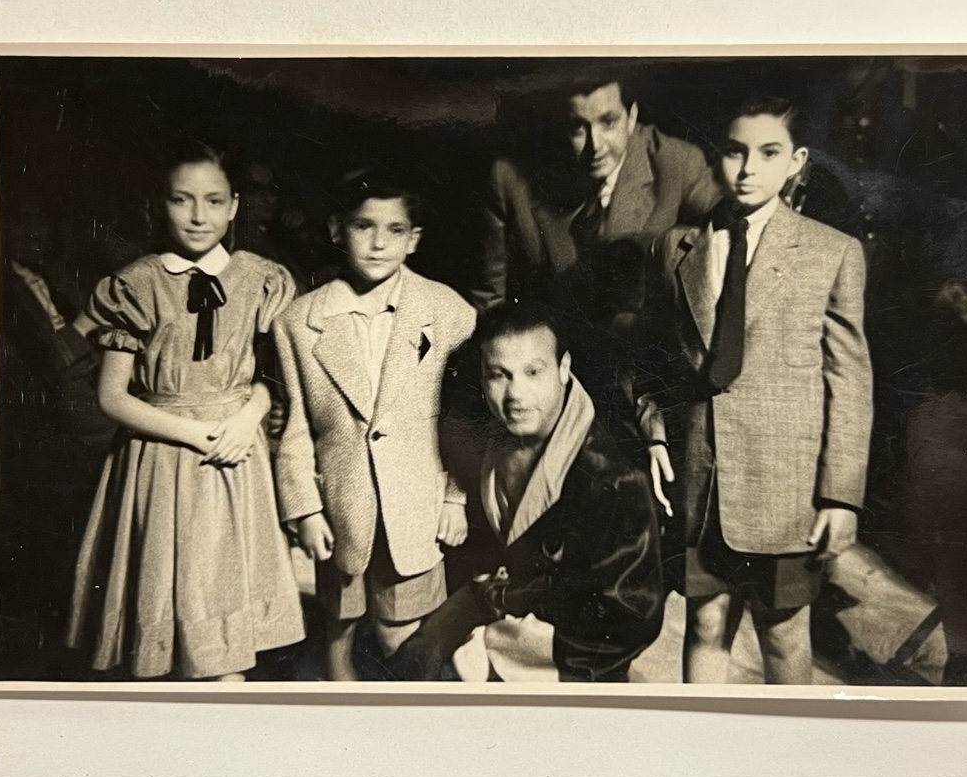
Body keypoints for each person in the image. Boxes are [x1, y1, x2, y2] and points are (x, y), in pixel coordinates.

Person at [637, 97, 873, 684]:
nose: (748, 169)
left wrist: (840, 497)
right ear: (714, 157)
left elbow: (849, 379)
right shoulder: (676, 248)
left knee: (784, 638)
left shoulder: (833, 252)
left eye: (768, 154)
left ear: (796, 162)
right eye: (734, 152)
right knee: (704, 627)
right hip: (700, 481)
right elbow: (655, 358)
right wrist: (656, 431)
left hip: (784, 488)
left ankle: (784, 752)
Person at [65, 139, 306, 681]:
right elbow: (112, 396)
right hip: (163, 464)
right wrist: (199, 436)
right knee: (169, 630)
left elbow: (274, 378)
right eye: (182, 200)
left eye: (214, 201)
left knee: (227, 641)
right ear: (160, 204)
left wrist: (247, 419)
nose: (200, 216)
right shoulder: (137, 285)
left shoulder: (260, 279)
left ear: (235, 206)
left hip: (239, 461)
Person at [272, 170, 477, 681]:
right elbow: (295, 428)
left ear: (414, 240)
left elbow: (466, 419)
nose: (379, 242)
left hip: (416, 505)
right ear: (338, 229)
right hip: (341, 508)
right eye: (365, 227)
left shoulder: (450, 312)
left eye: (395, 229)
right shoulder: (298, 322)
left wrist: (455, 498)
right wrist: (305, 510)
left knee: (405, 637)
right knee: (338, 636)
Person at [392, 305, 665, 683]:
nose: (516, 394)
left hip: (571, 660)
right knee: (413, 662)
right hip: (496, 614)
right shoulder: (490, 444)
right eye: (499, 375)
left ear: (564, 368)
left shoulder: (613, 479)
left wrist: (506, 612)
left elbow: (629, 614)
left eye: (534, 372)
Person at [473, 76, 720, 313]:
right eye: (578, 127)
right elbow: (489, 300)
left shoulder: (677, 161)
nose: (596, 146)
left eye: (608, 122)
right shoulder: (509, 176)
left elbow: (736, 226)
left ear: (632, 117)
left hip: (635, 342)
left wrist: (668, 247)